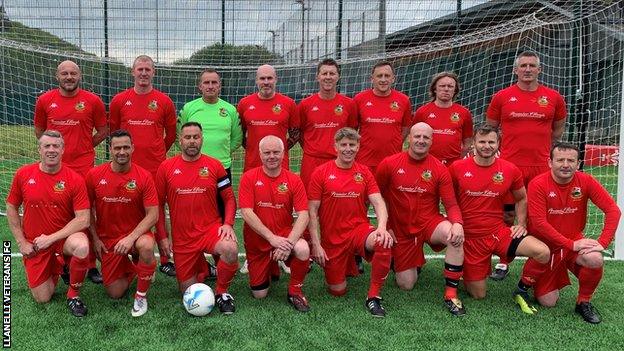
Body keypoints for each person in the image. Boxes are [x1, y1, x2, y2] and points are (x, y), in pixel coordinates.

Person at [448, 124, 551, 314]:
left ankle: (522, 289)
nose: (486, 146)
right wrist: (455, 223)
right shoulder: (457, 167)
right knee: (478, 294)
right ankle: (467, 268)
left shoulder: (510, 169)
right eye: (482, 141)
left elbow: (521, 198)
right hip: (471, 238)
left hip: (498, 232)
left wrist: (521, 223)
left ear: (498, 144)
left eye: (491, 142)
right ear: (474, 144)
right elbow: (449, 199)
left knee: (543, 252)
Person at [486, 51, 567, 280]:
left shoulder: (553, 97)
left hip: (541, 167)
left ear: (539, 70)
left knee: (540, 217)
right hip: (510, 167)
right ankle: (503, 261)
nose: (528, 69)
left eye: (532, 65)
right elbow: (491, 129)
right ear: (516, 70)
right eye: (523, 66)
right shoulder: (502, 96)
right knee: (507, 215)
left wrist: (543, 150)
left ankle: (540, 260)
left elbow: (557, 129)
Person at [376, 122, 466, 316]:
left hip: (429, 223)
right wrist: (387, 225)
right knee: (406, 285)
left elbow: (450, 204)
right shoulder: (389, 164)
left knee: (454, 236)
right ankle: (405, 260)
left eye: (426, 137)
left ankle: (451, 295)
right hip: (401, 228)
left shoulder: (440, 169)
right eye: (417, 136)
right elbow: (377, 197)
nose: (421, 141)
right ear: (409, 138)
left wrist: (457, 224)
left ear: (432, 141)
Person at [527, 142, 621, 324]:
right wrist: (570, 244)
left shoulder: (585, 181)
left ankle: (583, 302)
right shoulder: (538, 184)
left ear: (578, 164)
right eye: (560, 160)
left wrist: (602, 242)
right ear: (550, 162)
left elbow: (613, 210)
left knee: (594, 258)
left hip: (573, 242)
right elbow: (538, 224)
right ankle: (545, 276)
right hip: (545, 249)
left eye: (571, 160)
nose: (565, 164)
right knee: (548, 302)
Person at [34, 60, 108, 283]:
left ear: (80, 76)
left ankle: (91, 264)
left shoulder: (92, 101)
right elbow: (40, 131)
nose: (69, 77)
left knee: (87, 213)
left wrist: (85, 146)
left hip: (84, 167)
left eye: (73, 73)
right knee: (58, 211)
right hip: (55, 169)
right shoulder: (45, 101)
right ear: (57, 76)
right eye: (64, 73)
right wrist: (55, 152)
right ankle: (64, 262)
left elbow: (104, 130)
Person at [308, 127, 393, 318]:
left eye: (352, 145)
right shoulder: (321, 172)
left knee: (382, 241)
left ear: (358, 147)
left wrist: (381, 228)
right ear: (335, 146)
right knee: (337, 290)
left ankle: (373, 296)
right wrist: (317, 244)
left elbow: (378, 202)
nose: (348, 149)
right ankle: (348, 262)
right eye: (343, 145)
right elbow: (312, 211)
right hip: (332, 238)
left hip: (358, 230)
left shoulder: (364, 172)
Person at [155, 122, 239, 314]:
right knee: (187, 292)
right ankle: (206, 269)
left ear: (202, 139)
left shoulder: (214, 165)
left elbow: (229, 198)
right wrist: (162, 237)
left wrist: (228, 224)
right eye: (187, 137)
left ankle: (222, 292)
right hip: (183, 238)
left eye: (196, 137)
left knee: (230, 249)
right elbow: (157, 206)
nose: (192, 141)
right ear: (179, 140)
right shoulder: (166, 168)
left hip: (210, 230)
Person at [6, 130, 91, 317]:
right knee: (43, 298)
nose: (51, 150)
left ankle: (73, 296)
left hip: (63, 240)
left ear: (63, 150)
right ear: (39, 150)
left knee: (82, 245)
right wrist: (22, 242)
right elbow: (11, 207)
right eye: (47, 146)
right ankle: (61, 267)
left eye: (56, 146)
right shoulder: (23, 174)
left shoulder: (75, 179)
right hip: (36, 245)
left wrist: (51, 238)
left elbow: (83, 219)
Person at [109, 55, 177, 278]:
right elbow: (114, 133)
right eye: (140, 69)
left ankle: (166, 258)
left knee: (156, 211)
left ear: (153, 72)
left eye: (148, 69)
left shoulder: (164, 101)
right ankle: (131, 254)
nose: (144, 73)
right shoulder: (120, 100)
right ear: (133, 72)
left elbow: (171, 135)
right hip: (127, 168)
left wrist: (157, 152)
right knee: (129, 209)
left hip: (155, 168)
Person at [85, 129, 158, 317]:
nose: (122, 152)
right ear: (110, 149)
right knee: (115, 293)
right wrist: (95, 239)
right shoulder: (94, 175)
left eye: (126, 147)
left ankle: (141, 296)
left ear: (133, 148)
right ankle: (139, 269)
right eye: (117, 148)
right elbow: (87, 212)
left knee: (147, 246)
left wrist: (130, 238)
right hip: (108, 239)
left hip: (135, 236)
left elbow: (153, 215)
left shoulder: (144, 176)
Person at [179, 68, 244, 278]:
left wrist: (218, 157)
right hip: (193, 170)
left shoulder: (229, 110)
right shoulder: (190, 108)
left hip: (220, 169)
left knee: (221, 215)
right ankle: (196, 259)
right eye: (206, 82)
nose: (210, 86)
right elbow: (180, 135)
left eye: (214, 82)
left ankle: (221, 261)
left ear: (220, 86)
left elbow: (236, 139)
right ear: (199, 86)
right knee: (194, 215)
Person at [239, 135, 311, 312]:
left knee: (302, 249)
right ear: (260, 154)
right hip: (258, 241)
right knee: (260, 294)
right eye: (267, 152)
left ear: (284, 153)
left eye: (276, 152)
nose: (272, 156)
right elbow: (246, 212)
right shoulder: (248, 177)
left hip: (284, 235)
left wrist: (288, 244)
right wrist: (272, 239)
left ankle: (295, 291)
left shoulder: (294, 179)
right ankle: (272, 264)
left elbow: (304, 215)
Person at [297, 58, 357, 186]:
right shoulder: (305, 105)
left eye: (332, 73)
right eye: (324, 73)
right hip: (311, 162)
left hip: (338, 160)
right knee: (310, 203)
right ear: (317, 77)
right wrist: (314, 148)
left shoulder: (349, 104)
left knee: (336, 201)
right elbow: (300, 133)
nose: (328, 77)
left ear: (338, 77)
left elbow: (352, 132)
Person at [353, 60, 412, 175]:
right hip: (364, 161)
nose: (383, 80)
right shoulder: (359, 99)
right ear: (372, 79)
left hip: (393, 161)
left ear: (393, 78)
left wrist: (394, 143)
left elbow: (406, 128)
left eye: (387, 76)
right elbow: (352, 129)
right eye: (379, 76)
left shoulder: (404, 100)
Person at [237, 64, 299, 172]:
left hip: (280, 167)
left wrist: (279, 150)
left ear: (276, 79)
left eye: (269, 78)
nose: (266, 82)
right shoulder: (244, 103)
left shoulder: (289, 103)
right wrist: (254, 149)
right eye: (262, 78)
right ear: (256, 80)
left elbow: (296, 134)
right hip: (252, 166)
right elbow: (240, 133)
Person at [413, 72, 473, 166]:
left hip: (453, 165)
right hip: (426, 163)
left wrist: (458, 161)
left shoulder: (464, 113)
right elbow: (412, 139)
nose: (446, 89)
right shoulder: (422, 112)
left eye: (450, 86)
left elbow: (467, 142)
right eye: (442, 86)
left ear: (455, 90)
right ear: (435, 89)